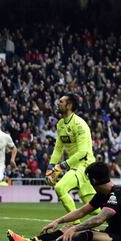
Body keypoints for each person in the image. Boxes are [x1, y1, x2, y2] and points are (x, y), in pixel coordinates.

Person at [7, 162, 121, 241]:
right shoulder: (102, 194)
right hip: (111, 233)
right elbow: (82, 211)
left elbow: (99, 219)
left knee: (85, 234)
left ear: (93, 181)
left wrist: (75, 228)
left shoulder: (117, 194)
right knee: (68, 229)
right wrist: (58, 221)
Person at [45, 93, 97, 224]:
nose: (58, 103)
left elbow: (83, 152)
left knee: (60, 187)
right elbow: (58, 149)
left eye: (61, 102)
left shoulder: (80, 124)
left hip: (86, 165)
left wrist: (61, 166)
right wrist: (50, 167)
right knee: (94, 209)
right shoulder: (60, 124)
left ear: (69, 105)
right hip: (74, 166)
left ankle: (76, 225)